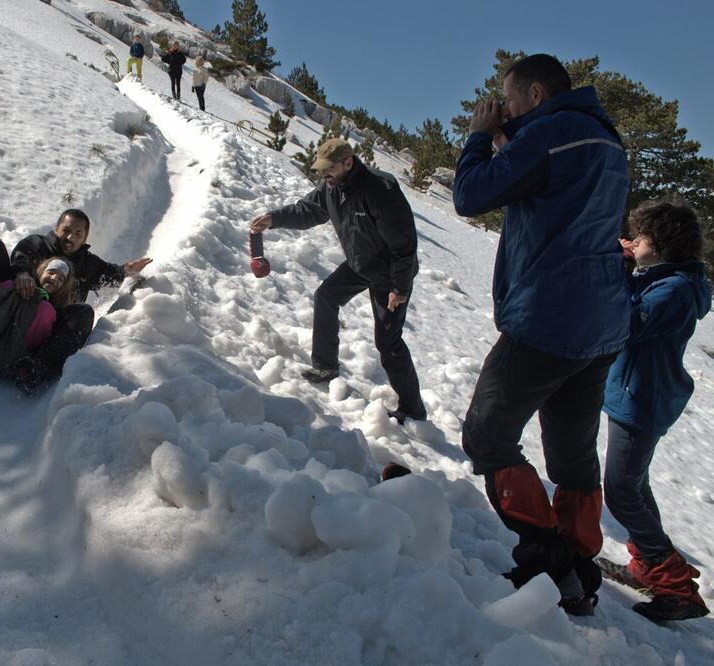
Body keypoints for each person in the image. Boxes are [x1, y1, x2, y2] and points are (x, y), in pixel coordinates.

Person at [452, 54, 631, 615]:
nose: (502, 107)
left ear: (534, 92)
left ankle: (546, 558)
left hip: (551, 316)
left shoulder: (553, 133)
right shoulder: (603, 138)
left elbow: (471, 196)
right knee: (573, 456)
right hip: (601, 323)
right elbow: (550, 186)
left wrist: (480, 139)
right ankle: (579, 568)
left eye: (507, 99)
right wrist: (511, 132)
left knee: (487, 435)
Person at [248, 138, 426, 425]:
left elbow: (404, 244)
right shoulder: (331, 188)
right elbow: (306, 211)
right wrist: (273, 219)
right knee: (326, 296)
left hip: (390, 271)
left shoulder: (380, 189)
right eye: (321, 169)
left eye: (329, 168)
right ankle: (325, 367)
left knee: (388, 341)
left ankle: (414, 409)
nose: (324, 174)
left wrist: (399, 287)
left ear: (348, 163)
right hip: (361, 262)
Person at [601, 198, 710, 622]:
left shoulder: (676, 289)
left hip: (642, 399)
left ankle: (677, 586)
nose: (636, 240)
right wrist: (632, 268)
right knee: (636, 485)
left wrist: (622, 269)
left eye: (643, 236)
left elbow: (626, 323)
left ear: (662, 244)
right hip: (642, 392)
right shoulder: (669, 279)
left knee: (622, 491)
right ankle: (649, 566)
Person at [0, 208, 151, 382]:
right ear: (56, 228)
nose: (70, 237)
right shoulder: (36, 244)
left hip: (41, 330)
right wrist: (22, 274)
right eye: (66, 230)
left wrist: (127, 270)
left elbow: (111, 274)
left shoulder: (88, 263)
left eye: (78, 233)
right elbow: (20, 260)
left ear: (85, 238)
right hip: (7, 308)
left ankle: (37, 369)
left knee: (83, 312)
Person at [0, 256, 76, 388]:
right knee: (9, 286)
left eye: (61, 278)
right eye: (51, 272)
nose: (54, 278)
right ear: (41, 272)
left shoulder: (51, 310)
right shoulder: (13, 284)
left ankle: (24, 368)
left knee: (46, 310)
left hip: (11, 358)